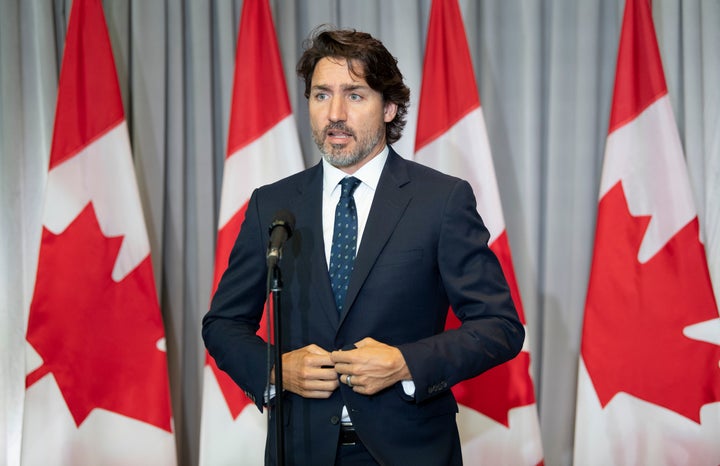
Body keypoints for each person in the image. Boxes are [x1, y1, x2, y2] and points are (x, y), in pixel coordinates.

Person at [202, 26, 525, 466]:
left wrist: (406, 363)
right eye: (321, 95)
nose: (335, 113)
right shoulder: (272, 205)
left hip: (410, 451)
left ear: (389, 107)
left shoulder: (441, 200)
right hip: (300, 450)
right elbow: (222, 323)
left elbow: (500, 326)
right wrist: (276, 369)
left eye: (354, 95)